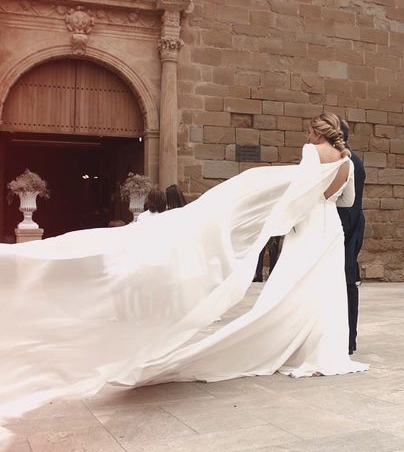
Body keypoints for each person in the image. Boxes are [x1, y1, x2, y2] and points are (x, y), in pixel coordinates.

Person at [0, 112, 368, 447]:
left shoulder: (310, 152)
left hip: (306, 228)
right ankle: (324, 352)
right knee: (325, 288)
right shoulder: (348, 163)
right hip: (330, 227)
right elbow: (348, 202)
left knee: (291, 288)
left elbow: (298, 194)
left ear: (313, 132)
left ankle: (295, 348)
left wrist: (273, 219)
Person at [336, 118, 366, 355]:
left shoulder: (348, 161)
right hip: (349, 226)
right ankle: (347, 338)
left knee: (346, 283)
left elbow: (348, 204)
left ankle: (347, 338)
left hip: (346, 228)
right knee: (346, 283)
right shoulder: (353, 159)